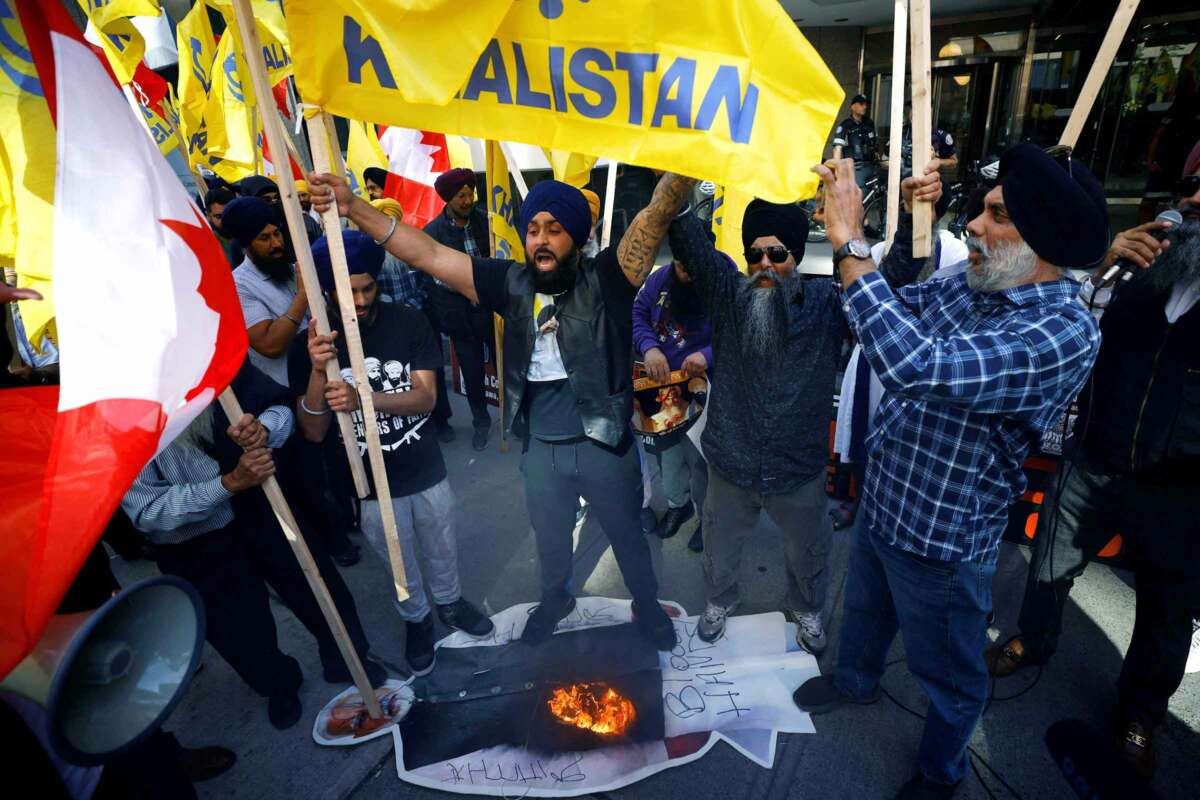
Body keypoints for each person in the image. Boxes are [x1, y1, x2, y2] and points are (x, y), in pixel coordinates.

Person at [792, 146, 1106, 800]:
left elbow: (914, 364)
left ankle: (942, 770)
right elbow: (898, 300)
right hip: (887, 499)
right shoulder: (985, 278)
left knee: (953, 674)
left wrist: (849, 243)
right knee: (865, 616)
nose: (975, 228)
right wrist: (906, 225)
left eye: (996, 217)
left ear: (1040, 242)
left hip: (944, 537)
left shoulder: (1062, 332)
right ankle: (855, 681)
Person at [306, 169, 694, 651]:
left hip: (606, 446)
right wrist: (353, 208)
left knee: (628, 537)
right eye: (533, 229)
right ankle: (556, 602)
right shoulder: (508, 282)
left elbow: (656, 215)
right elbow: (427, 253)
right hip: (541, 451)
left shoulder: (608, 280)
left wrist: (681, 162)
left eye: (554, 229)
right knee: (550, 542)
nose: (542, 240)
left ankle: (648, 605)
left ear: (578, 235)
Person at [985, 145, 1200, 779]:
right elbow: (1063, 317)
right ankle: (1032, 639)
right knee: (1051, 559)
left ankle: (1140, 712)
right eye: (1190, 186)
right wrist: (1101, 263)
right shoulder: (1141, 263)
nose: (1193, 201)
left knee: (1166, 607)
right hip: (1098, 454)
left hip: (1181, 482)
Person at [667, 176, 932, 652]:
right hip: (730, 461)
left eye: (777, 254)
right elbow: (690, 244)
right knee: (719, 547)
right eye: (755, 254)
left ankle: (806, 609)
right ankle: (718, 601)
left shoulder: (828, 306)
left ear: (795, 257)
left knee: (808, 553)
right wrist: (675, 183)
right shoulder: (729, 296)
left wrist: (916, 215)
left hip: (799, 467)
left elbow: (889, 278)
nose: (764, 264)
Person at [121, 385, 386, 729]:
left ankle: (347, 658)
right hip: (196, 541)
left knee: (317, 588)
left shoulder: (206, 357)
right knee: (240, 634)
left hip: (264, 503)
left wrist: (263, 429)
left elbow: (280, 407)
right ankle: (280, 684)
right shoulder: (115, 415)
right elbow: (148, 511)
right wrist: (228, 484)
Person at [292, 231, 494, 677]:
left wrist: (363, 399)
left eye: (368, 288)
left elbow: (424, 399)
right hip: (367, 481)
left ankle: (449, 601)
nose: (361, 301)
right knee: (396, 557)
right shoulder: (318, 341)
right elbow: (312, 428)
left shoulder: (409, 322)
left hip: (423, 467)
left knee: (441, 543)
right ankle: (417, 619)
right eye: (350, 292)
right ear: (329, 291)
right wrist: (314, 370)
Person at [831, 188, 968, 531]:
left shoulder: (954, 252)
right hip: (875, 359)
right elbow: (878, 292)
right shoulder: (880, 249)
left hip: (922, 363)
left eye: (927, 207)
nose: (921, 212)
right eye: (914, 207)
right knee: (863, 434)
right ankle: (859, 502)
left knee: (898, 443)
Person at [632, 254, 712, 551]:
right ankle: (679, 505)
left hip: (704, 385)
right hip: (663, 382)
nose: (686, 273)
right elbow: (638, 311)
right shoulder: (661, 277)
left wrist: (708, 355)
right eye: (681, 265)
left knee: (702, 459)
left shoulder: (723, 276)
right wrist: (649, 347)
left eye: (693, 266)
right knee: (667, 452)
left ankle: (709, 519)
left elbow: (739, 327)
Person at [423, 167, 495, 450]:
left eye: (470, 193)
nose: (468, 200)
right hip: (460, 317)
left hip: (493, 308)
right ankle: (481, 423)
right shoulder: (433, 233)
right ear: (447, 199)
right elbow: (436, 277)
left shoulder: (487, 221)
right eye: (461, 196)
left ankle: (521, 418)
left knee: (509, 364)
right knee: (473, 374)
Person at [222, 196, 309, 387]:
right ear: (247, 245)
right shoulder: (239, 285)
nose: (277, 243)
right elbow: (270, 344)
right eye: (265, 238)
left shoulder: (294, 271)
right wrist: (303, 296)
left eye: (277, 233)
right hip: (287, 394)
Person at [832, 93, 879, 189]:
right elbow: (837, 149)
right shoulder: (845, 125)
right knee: (858, 198)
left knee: (871, 199)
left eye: (866, 104)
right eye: (861, 104)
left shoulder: (869, 123)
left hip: (871, 167)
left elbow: (875, 144)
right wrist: (837, 171)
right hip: (854, 169)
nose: (865, 107)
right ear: (853, 106)